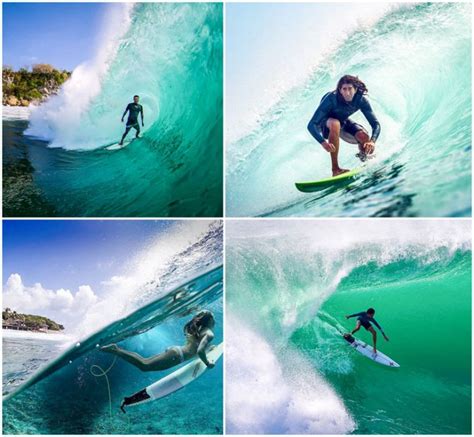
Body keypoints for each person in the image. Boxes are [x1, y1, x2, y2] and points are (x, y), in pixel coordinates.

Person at [307, 75, 381, 176]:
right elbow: (311, 125)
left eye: (350, 89)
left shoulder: (361, 100)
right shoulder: (331, 98)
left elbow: (375, 124)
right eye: (344, 89)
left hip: (342, 121)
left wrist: (372, 141)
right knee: (335, 123)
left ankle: (364, 159)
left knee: (364, 137)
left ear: (355, 89)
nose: (347, 92)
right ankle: (335, 169)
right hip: (325, 125)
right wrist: (323, 143)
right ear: (340, 90)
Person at [101, 310, 216, 371]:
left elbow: (196, 348)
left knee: (144, 362)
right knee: (144, 366)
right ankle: (115, 350)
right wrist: (207, 363)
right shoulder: (209, 334)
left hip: (176, 352)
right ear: (210, 320)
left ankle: (116, 349)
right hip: (177, 356)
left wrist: (208, 349)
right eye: (214, 319)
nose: (215, 322)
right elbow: (199, 351)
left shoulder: (199, 330)